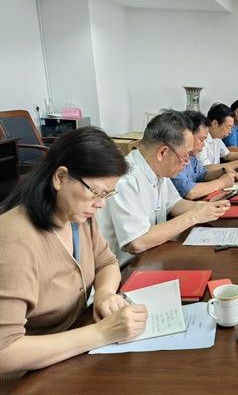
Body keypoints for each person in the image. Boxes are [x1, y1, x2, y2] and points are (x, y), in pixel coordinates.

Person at [0, 127, 148, 382]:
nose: (101, 203)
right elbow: (5, 351)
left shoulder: (78, 217)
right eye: (96, 192)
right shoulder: (16, 243)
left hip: (70, 354)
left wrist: (104, 294)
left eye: (107, 194)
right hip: (25, 377)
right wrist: (102, 333)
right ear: (60, 178)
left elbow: (106, 263)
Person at [97, 110, 230, 266]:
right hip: (127, 269)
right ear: (163, 152)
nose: (187, 162)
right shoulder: (125, 179)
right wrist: (195, 216)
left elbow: (174, 204)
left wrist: (205, 207)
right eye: (185, 155)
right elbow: (137, 242)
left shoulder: (159, 169)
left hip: (152, 257)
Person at [172, 110, 238, 200]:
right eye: (201, 140)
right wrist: (222, 182)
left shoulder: (191, 158)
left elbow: (203, 174)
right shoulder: (175, 158)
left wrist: (223, 171)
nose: (203, 144)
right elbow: (190, 192)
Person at [198, 103, 238, 167]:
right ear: (215, 123)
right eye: (228, 127)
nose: (230, 131)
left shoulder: (217, 138)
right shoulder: (201, 141)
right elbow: (205, 169)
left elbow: (227, 155)